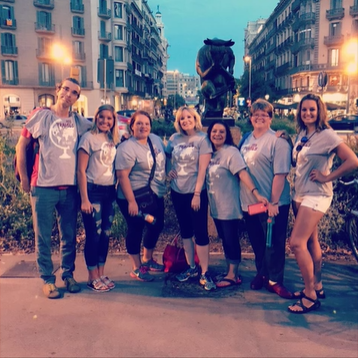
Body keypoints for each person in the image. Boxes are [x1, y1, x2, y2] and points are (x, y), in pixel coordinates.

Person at [15, 78, 92, 299]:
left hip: (69, 188)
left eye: (74, 92)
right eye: (66, 89)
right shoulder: (41, 115)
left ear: (77, 98)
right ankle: (48, 279)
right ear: (58, 90)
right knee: (43, 237)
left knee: (68, 235)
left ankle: (68, 275)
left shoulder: (78, 121)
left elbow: (100, 130)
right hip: (43, 187)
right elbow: (22, 145)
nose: (68, 94)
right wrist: (24, 178)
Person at [288, 94, 358, 314]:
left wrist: (328, 177)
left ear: (319, 112)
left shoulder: (327, 135)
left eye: (312, 110)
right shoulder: (302, 134)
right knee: (311, 241)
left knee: (296, 243)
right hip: (301, 193)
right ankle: (317, 286)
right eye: (304, 110)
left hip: (316, 195)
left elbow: (353, 161)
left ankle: (309, 296)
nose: (307, 113)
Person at [239, 99, 293, 299]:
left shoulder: (277, 141)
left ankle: (275, 281)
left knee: (275, 243)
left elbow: (280, 174)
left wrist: (273, 202)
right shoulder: (246, 139)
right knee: (258, 242)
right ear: (251, 118)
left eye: (264, 114)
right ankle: (262, 273)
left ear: (271, 118)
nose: (259, 117)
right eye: (256, 114)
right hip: (250, 202)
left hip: (272, 203)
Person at [206, 120, 268, 287]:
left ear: (227, 135)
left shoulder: (231, 152)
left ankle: (233, 275)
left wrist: (256, 193)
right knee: (225, 239)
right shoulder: (209, 153)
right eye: (214, 131)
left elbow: (242, 173)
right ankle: (230, 271)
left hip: (229, 206)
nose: (217, 134)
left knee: (230, 239)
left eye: (221, 132)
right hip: (216, 207)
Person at [165, 106, 216, 291]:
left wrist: (196, 194)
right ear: (178, 122)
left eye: (189, 117)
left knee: (200, 232)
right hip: (177, 191)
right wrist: (167, 170)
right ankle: (191, 268)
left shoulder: (202, 139)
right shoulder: (174, 139)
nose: (185, 120)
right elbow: (166, 156)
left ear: (195, 118)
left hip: (196, 193)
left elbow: (203, 169)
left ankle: (204, 272)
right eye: (182, 118)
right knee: (186, 231)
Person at [116, 110, 166, 282]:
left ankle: (147, 259)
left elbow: (168, 156)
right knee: (136, 229)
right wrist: (131, 202)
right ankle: (137, 267)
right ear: (132, 126)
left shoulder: (156, 140)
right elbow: (122, 176)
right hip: (133, 197)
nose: (143, 126)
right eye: (139, 123)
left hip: (153, 194)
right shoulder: (127, 148)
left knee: (156, 225)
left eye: (146, 123)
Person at [77, 104, 119, 292]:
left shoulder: (112, 138)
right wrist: (84, 199)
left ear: (113, 121)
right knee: (93, 236)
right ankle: (92, 276)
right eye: (101, 117)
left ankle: (101, 273)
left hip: (109, 191)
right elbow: (81, 170)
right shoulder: (88, 138)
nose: (105, 121)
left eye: (109, 118)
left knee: (105, 235)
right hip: (92, 192)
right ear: (96, 117)